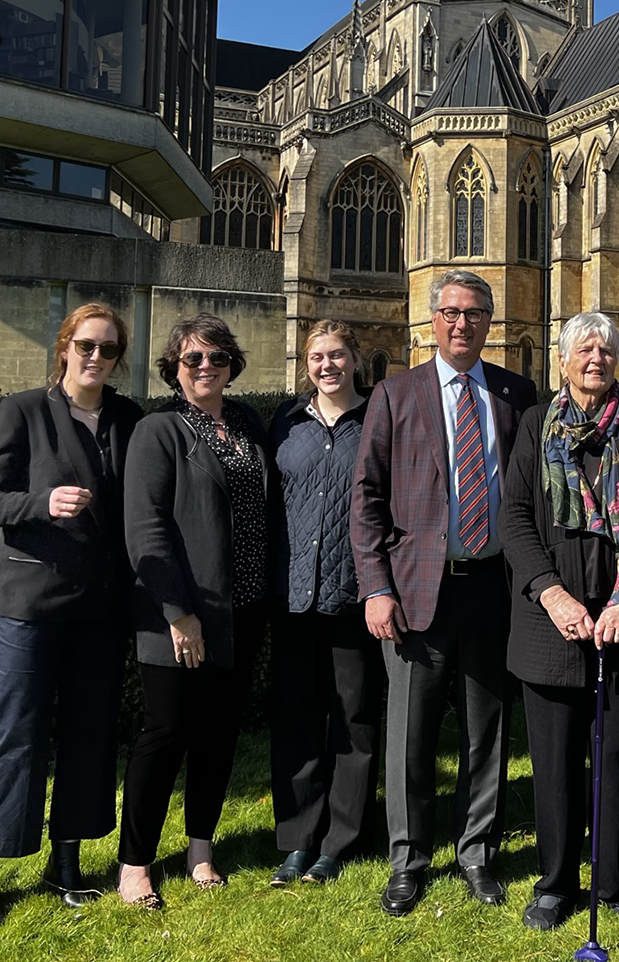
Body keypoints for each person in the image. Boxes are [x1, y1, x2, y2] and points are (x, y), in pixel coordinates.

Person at [351, 270, 538, 916]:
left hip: (492, 587)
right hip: (414, 593)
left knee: (488, 729)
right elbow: (366, 497)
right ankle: (408, 859)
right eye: (452, 312)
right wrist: (376, 587)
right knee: (411, 733)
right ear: (433, 320)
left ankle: (476, 852)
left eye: (476, 312)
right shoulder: (395, 393)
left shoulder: (515, 394)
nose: (463, 323)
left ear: (490, 320)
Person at [501, 311, 619, 941]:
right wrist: (551, 594)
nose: (596, 358)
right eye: (583, 349)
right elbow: (515, 517)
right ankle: (556, 883)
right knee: (553, 763)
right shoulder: (535, 425)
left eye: (605, 349)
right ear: (562, 361)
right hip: (549, 624)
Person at [0, 303, 144, 930]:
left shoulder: (128, 418)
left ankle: (66, 861)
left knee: (90, 732)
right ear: (65, 346)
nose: (96, 357)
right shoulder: (23, 410)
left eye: (109, 349)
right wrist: (41, 502)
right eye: (86, 345)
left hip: (100, 605)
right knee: (13, 729)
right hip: (29, 602)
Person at [116, 314, 278, 908]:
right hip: (181, 614)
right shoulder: (158, 430)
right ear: (174, 369)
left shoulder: (248, 423)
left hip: (244, 609)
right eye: (193, 359)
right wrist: (177, 612)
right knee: (165, 733)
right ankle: (135, 864)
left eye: (216, 357)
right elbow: (145, 527)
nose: (205, 367)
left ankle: (201, 849)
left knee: (218, 732)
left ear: (232, 365)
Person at [266, 320, 383, 887]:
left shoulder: (378, 419)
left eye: (337, 355)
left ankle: (340, 840)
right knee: (296, 716)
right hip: (293, 595)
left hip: (353, 595)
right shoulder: (286, 422)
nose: (327, 365)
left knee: (354, 719)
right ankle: (297, 839)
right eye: (317, 357)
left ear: (355, 360)